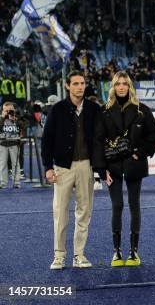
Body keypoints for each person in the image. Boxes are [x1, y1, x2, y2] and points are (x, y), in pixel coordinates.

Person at [93, 71, 155, 267]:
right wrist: (100, 170)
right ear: (113, 87)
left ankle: (133, 252)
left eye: (125, 83)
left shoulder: (142, 110)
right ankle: (117, 252)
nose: (121, 87)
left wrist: (139, 153)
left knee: (134, 205)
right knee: (117, 206)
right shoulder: (104, 111)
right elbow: (97, 142)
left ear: (129, 86)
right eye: (117, 84)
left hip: (135, 164)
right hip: (112, 166)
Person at [42, 70, 101, 270]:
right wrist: (48, 168)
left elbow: (100, 139)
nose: (79, 87)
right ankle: (59, 256)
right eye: (75, 83)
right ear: (68, 86)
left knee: (84, 212)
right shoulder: (57, 109)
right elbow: (47, 140)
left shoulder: (94, 108)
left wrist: (100, 167)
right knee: (60, 212)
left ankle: (79, 255)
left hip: (86, 165)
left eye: (82, 83)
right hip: (62, 167)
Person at [0, 102, 23, 189]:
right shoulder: (0, 118)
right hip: (2, 143)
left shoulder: (17, 117)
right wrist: (2, 117)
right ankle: (3, 183)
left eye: (11, 110)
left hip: (14, 143)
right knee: (2, 164)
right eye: (7, 110)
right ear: (3, 110)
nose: (9, 112)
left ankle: (16, 182)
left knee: (16, 164)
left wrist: (16, 119)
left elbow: (24, 127)